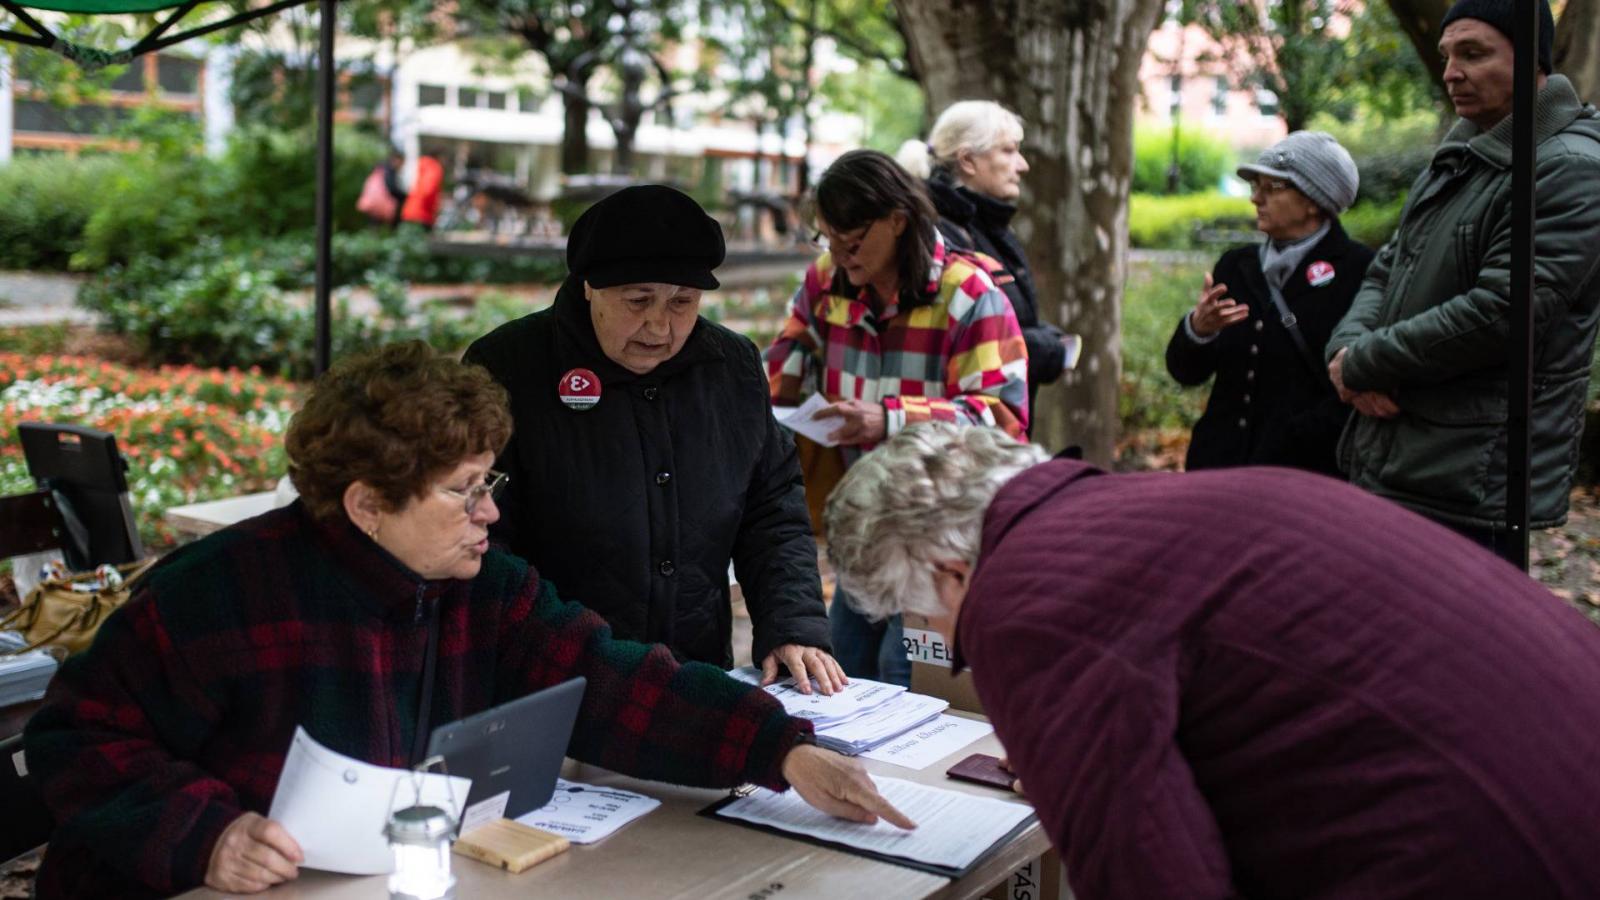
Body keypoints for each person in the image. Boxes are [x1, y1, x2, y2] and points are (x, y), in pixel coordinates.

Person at [23, 342, 911, 900]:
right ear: (368, 504)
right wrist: (205, 832)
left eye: (489, 481)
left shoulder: (480, 586)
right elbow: (74, 739)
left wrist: (780, 750)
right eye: (462, 490)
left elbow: (607, 680)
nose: (489, 511)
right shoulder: (217, 592)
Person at [824, 422, 1600, 900]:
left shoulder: (1024, 594)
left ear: (950, 567)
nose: (945, 642)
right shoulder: (1142, 513)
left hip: (1500, 845)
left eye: (925, 614)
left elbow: (1147, 873)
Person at [465, 186, 839, 689]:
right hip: (554, 676)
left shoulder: (731, 368)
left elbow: (771, 509)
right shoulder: (507, 367)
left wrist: (793, 624)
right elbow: (482, 536)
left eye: (682, 302)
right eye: (638, 300)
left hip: (695, 674)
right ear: (588, 287)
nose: (660, 325)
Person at [1325, 0, 1600, 554]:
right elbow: (1388, 265)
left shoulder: (1569, 167)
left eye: (1473, 53)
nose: (1451, 72)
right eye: (1449, 54)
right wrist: (1347, 350)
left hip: (1472, 476)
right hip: (1401, 455)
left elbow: (1500, 312)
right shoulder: (1460, 151)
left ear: (1534, 64)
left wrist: (1365, 363)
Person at [764, 149, 1029, 686]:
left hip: (943, 537)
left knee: (905, 674)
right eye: (827, 240)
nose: (838, 255)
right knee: (845, 672)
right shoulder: (826, 282)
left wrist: (888, 421)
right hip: (861, 530)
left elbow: (1001, 419)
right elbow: (782, 364)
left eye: (853, 241)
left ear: (898, 220)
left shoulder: (970, 295)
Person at [1165, 131, 1373, 476]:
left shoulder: (1359, 269)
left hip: (1303, 477)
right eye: (1255, 186)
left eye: (1273, 188)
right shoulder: (1236, 265)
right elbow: (1186, 373)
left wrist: (1295, 438)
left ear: (1314, 200)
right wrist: (1198, 330)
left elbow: (1356, 387)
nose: (1256, 199)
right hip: (1218, 468)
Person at [898, 101, 1071, 421]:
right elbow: (953, 340)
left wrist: (1044, 337)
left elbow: (1003, 315)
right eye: (1008, 151)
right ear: (967, 160)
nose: (1022, 165)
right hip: (960, 437)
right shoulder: (938, 235)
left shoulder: (984, 226)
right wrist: (1045, 349)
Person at [400, 153, 444, 230]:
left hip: (409, 210)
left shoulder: (419, 164)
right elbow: (428, 189)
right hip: (423, 213)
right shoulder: (433, 167)